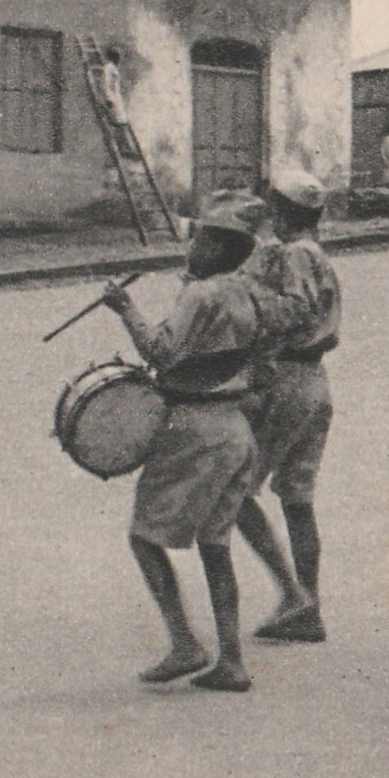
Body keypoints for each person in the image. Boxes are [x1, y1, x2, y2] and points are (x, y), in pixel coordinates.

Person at [101, 188, 268, 692]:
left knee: (144, 536)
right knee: (216, 544)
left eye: (196, 238)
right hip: (236, 426)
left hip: (194, 427)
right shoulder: (246, 291)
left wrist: (124, 307)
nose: (188, 245)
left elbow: (160, 351)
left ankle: (184, 642)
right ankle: (232, 659)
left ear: (215, 247)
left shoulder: (200, 293)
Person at [237, 170, 342, 644]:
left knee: (235, 488)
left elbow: (294, 311)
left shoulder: (294, 255)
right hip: (313, 380)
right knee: (297, 499)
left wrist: (251, 301)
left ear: (282, 213)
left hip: (286, 379)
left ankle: (293, 593)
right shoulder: (318, 256)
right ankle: (310, 605)